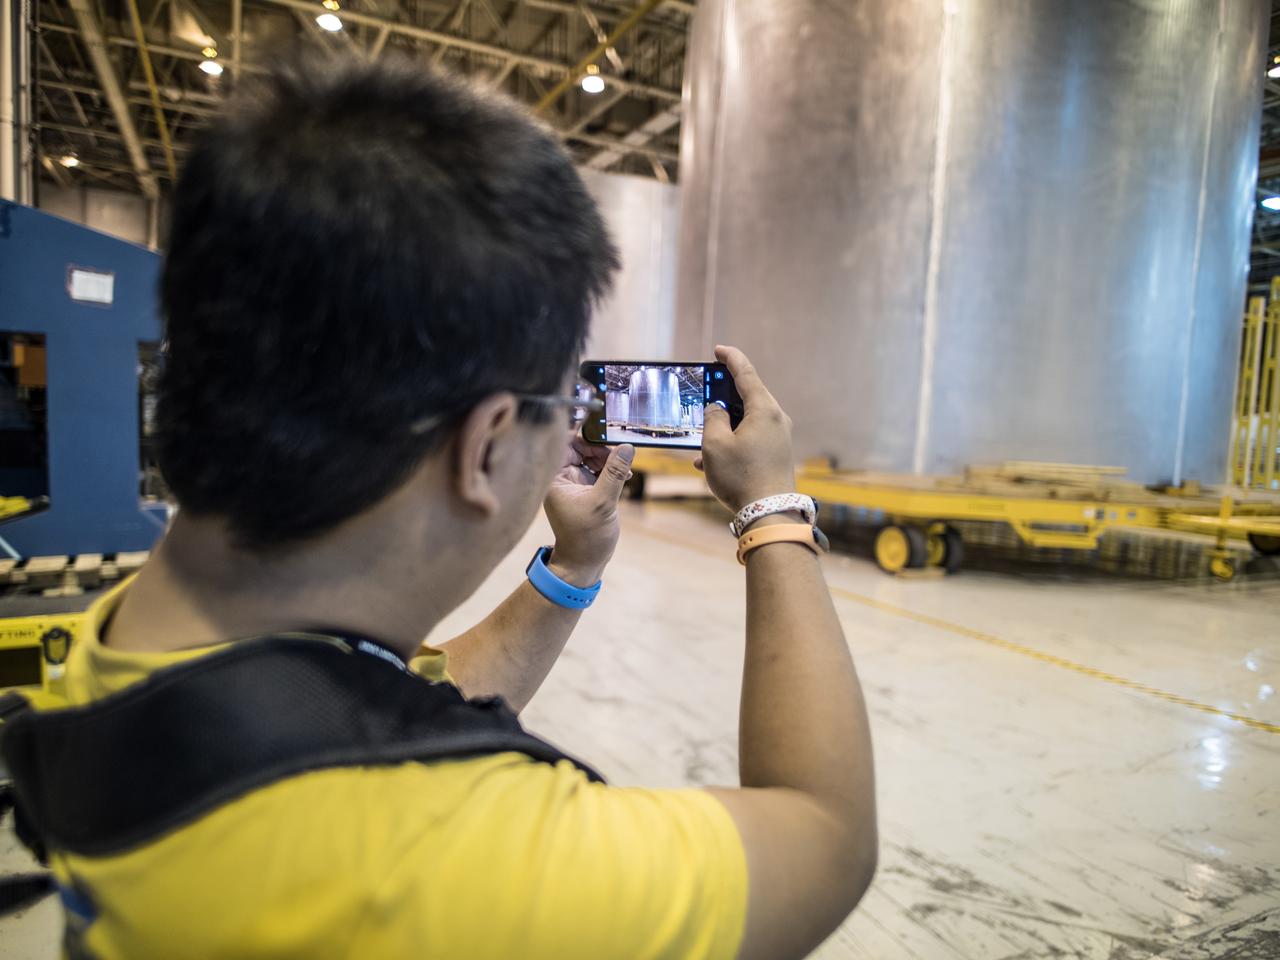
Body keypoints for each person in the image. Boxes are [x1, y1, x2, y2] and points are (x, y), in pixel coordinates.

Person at [21, 58, 876, 959]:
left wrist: (571, 570)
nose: (568, 431)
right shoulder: (466, 866)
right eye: (560, 408)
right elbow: (826, 835)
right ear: (486, 447)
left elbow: (358, 709)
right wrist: (773, 511)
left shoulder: (121, 644)